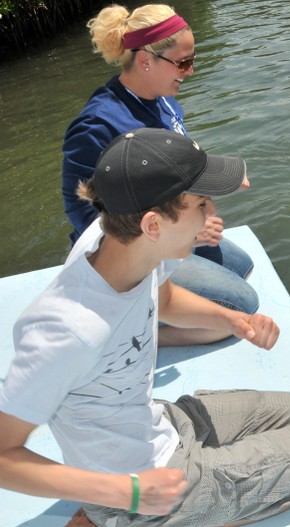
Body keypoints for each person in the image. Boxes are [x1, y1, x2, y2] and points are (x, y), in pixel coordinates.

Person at [0, 129, 290, 527]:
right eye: (200, 203)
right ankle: (126, 523)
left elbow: (163, 297)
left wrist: (234, 320)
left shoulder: (122, 240)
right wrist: (128, 494)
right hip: (139, 488)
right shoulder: (67, 329)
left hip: (162, 423)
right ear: (153, 224)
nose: (212, 211)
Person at [62, 4, 258, 344]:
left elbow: (175, 165)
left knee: (241, 265)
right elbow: (80, 211)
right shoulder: (97, 125)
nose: (190, 71)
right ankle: (126, 330)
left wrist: (209, 187)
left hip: (171, 231)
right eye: (183, 63)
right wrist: (176, 234)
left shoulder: (164, 100)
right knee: (242, 304)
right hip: (131, 253)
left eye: (192, 60)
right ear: (146, 60)